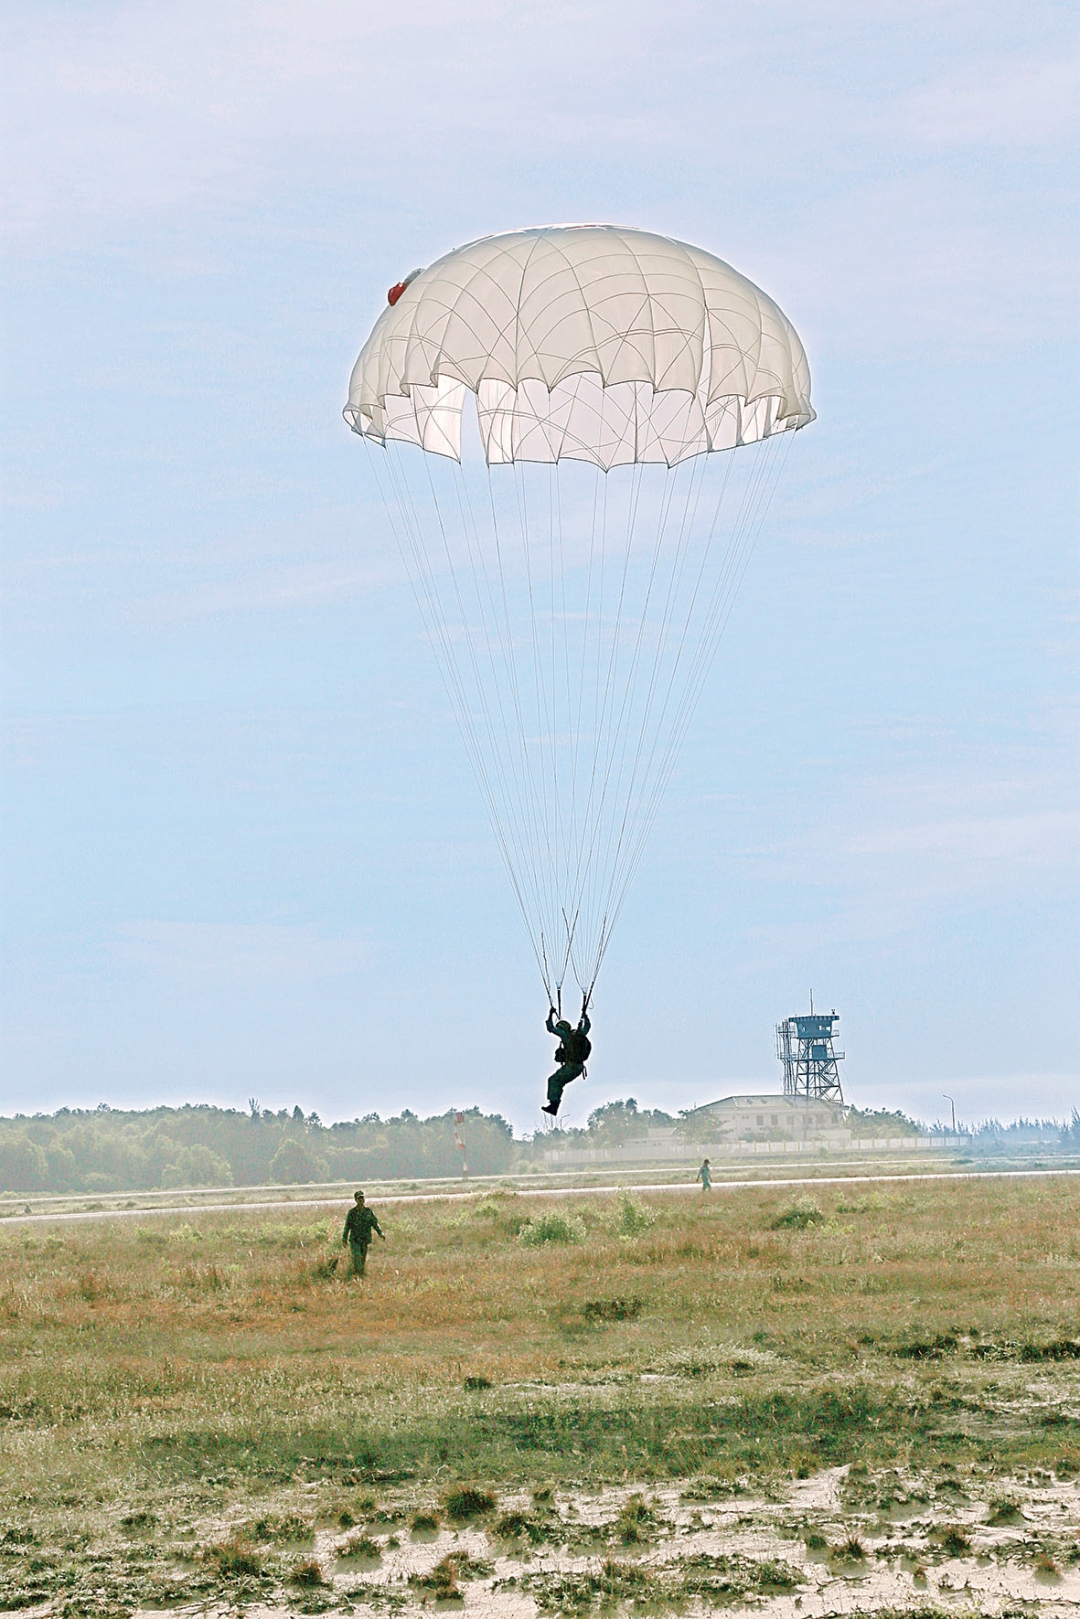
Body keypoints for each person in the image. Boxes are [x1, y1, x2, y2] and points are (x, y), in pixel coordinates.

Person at [542, 1001, 591, 1116]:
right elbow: (588, 1026)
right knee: (559, 1082)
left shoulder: (566, 1036)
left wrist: (550, 1014)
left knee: (553, 1081)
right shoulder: (580, 1034)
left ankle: (554, 1106)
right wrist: (585, 1015)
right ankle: (554, 1105)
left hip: (571, 1067)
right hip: (579, 1068)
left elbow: (550, 1028)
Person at [342, 1190, 385, 1276]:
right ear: (355, 1200)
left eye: (362, 1198)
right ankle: (355, 1274)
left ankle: (360, 1275)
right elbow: (347, 1226)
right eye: (359, 1198)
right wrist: (344, 1239)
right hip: (355, 1240)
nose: (361, 1200)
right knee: (357, 1256)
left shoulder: (368, 1211)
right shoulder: (352, 1213)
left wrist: (380, 1233)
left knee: (362, 1259)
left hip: (365, 1240)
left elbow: (375, 1224)